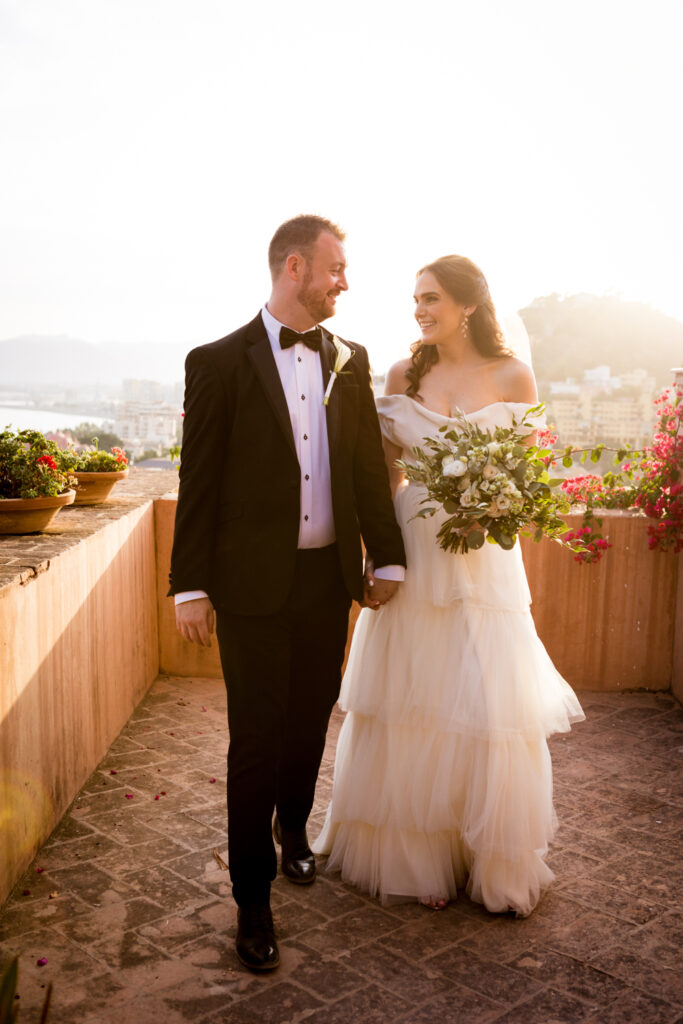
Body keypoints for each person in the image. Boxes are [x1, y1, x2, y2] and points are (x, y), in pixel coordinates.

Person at [168, 215, 406, 971]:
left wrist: (388, 558)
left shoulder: (351, 359)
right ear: (294, 268)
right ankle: (252, 901)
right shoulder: (216, 362)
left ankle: (294, 831)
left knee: (309, 722)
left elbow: (367, 465)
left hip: (325, 580)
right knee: (256, 741)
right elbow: (197, 482)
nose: (345, 282)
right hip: (248, 588)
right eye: (336, 268)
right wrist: (188, 586)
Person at [313, 255, 585, 917]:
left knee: (485, 701)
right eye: (414, 302)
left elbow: (530, 474)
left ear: (467, 304)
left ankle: (491, 859)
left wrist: (496, 502)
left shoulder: (512, 375)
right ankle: (415, 858)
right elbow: (382, 477)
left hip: (484, 556)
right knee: (412, 695)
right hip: (414, 546)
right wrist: (380, 556)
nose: (420, 311)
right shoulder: (408, 373)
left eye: (431, 299)